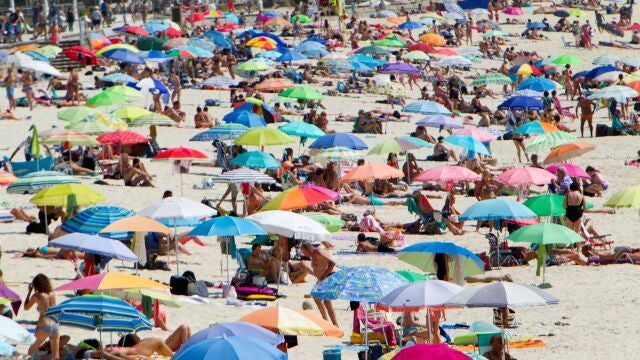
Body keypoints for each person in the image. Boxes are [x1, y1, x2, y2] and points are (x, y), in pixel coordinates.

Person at [299, 241, 338, 326]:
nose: (304, 254)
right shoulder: (312, 255)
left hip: (328, 277)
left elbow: (332, 263)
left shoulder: (319, 252)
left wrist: (324, 276)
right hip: (322, 279)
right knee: (317, 298)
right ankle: (326, 322)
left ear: (309, 249)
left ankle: (334, 325)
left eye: (304, 252)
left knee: (327, 302)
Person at [24, 274, 59, 359]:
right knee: (55, 355)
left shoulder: (37, 295)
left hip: (44, 325)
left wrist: (29, 292)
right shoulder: (52, 294)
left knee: (31, 351)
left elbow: (26, 307)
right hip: (55, 324)